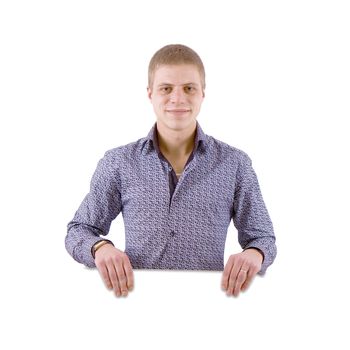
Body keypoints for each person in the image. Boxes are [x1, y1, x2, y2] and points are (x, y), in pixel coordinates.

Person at [65, 44, 277, 298]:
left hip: (212, 305)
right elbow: (79, 230)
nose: (177, 98)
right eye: (166, 89)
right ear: (150, 94)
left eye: (189, 88)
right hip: (132, 305)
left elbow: (263, 238)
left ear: (202, 94)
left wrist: (255, 253)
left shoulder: (235, 164)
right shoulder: (119, 163)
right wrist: (100, 247)